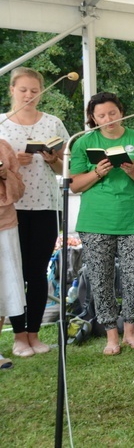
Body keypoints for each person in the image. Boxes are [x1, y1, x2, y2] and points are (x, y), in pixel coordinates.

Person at [70, 92, 134, 355]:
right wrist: (97, 172)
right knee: (101, 279)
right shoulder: (83, 143)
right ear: (92, 118)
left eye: (112, 113)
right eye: (101, 116)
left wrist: (131, 170)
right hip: (95, 221)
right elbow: (74, 185)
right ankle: (111, 336)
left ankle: (130, 331)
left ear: (121, 111)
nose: (108, 119)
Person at [0, 67, 69, 358]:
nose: (29, 95)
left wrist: (53, 159)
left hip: (44, 205)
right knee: (14, 272)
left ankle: (34, 333)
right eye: (23, 89)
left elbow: (66, 166)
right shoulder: (1, 124)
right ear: (12, 89)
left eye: (34, 90)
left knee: (37, 272)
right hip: (9, 208)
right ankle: (18, 337)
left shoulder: (53, 123)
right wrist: (11, 162)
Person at [0, 140, 25, 370]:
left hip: (5, 224)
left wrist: (5, 173)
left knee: (4, 288)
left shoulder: (3, 147)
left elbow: (19, 190)